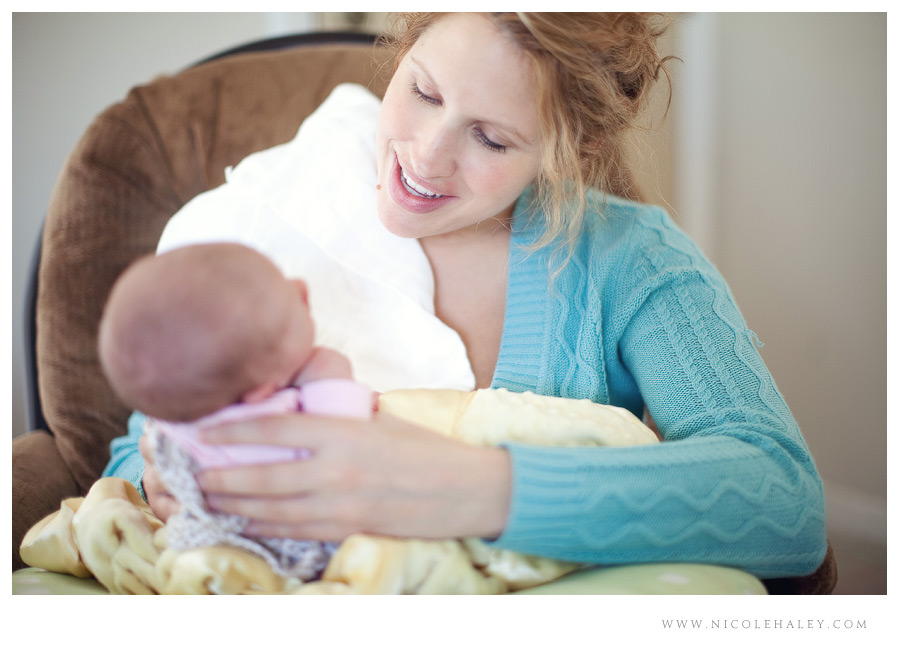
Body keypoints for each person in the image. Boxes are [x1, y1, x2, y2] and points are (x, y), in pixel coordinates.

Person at [104, 12, 827, 580]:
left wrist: (475, 489)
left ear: (571, 150)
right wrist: (157, 482)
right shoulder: (263, 234)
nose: (425, 155)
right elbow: (133, 453)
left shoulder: (630, 260)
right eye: (423, 92)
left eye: (491, 139)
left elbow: (785, 503)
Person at [98, 241, 372, 580]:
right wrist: (329, 372)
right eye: (290, 308)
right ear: (261, 393)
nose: (300, 286)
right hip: (297, 555)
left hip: (198, 552)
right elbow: (352, 436)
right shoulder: (289, 417)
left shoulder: (172, 417)